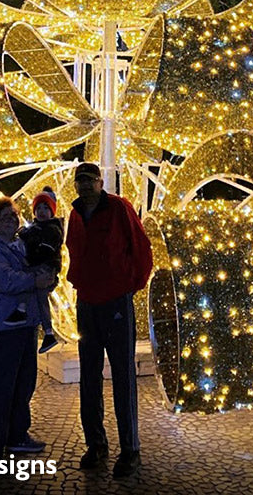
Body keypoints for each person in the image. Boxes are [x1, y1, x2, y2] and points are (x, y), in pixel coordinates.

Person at [65, 161, 153, 479]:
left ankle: (130, 449)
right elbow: (73, 248)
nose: (85, 185)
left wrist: (130, 285)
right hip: (87, 302)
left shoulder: (119, 208)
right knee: (89, 377)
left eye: (91, 180)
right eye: (81, 181)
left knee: (123, 376)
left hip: (115, 300)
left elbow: (141, 247)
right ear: (75, 185)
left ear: (101, 182)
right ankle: (96, 444)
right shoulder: (75, 214)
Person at [0, 198, 54, 460]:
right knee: (2, 388)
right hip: (6, 328)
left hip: (25, 325)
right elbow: (5, 280)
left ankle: (17, 436)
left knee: (23, 384)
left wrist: (45, 278)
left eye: (14, 216)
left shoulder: (18, 246)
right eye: (5, 217)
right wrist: (34, 279)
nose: (12, 220)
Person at [5, 186, 63, 353]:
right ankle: (25, 313)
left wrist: (28, 239)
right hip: (38, 267)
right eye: (38, 208)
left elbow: (44, 249)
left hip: (45, 267)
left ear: (52, 211)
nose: (42, 211)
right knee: (29, 286)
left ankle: (48, 331)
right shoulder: (35, 228)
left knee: (38, 294)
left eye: (46, 208)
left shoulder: (52, 229)